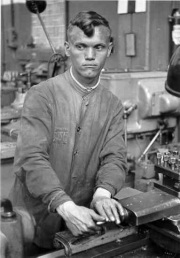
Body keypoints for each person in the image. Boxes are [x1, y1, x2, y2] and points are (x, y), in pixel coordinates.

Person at [9, 10, 127, 250]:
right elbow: (31, 158)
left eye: (99, 47)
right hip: (33, 221)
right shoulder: (42, 95)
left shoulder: (113, 105)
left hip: (82, 223)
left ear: (110, 49)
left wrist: (103, 193)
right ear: (66, 48)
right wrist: (64, 205)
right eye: (81, 46)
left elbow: (115, 157)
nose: (90, 56)